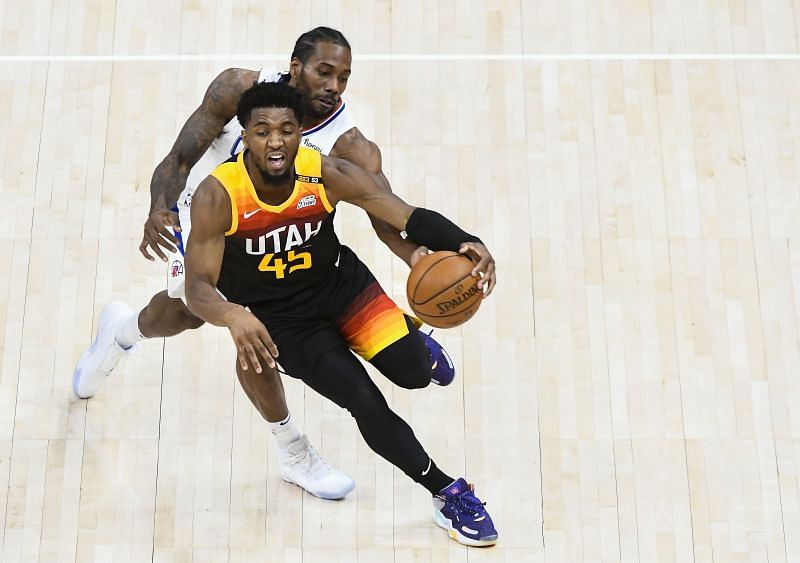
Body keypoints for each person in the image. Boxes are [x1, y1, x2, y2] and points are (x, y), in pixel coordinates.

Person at [71, 27, 456, 500]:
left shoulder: (348, 146)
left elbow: (383, 210)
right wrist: (160, 206)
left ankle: (299, 438)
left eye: (344, 77)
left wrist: (416, 256)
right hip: (213, 214)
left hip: (279, 240)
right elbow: (179, 157)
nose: (334, 85)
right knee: (185, 312)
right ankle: (123, 333)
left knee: (256, 329)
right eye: (324, 72)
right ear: (296, 67)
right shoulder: (237, 89)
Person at [185, 81, 498, 546]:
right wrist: (232, 314)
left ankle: (412, 343)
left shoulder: (323, 173)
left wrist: (465, 241)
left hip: (342, 287)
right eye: (263, 130)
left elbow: (403, 215)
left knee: (412, 374)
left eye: (287, 130)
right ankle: (446, 493)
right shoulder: (220, 195)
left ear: (299, 134)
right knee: (365, 402)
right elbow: (196, 288)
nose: (276, 141)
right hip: (286, 322)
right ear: (245, 137)